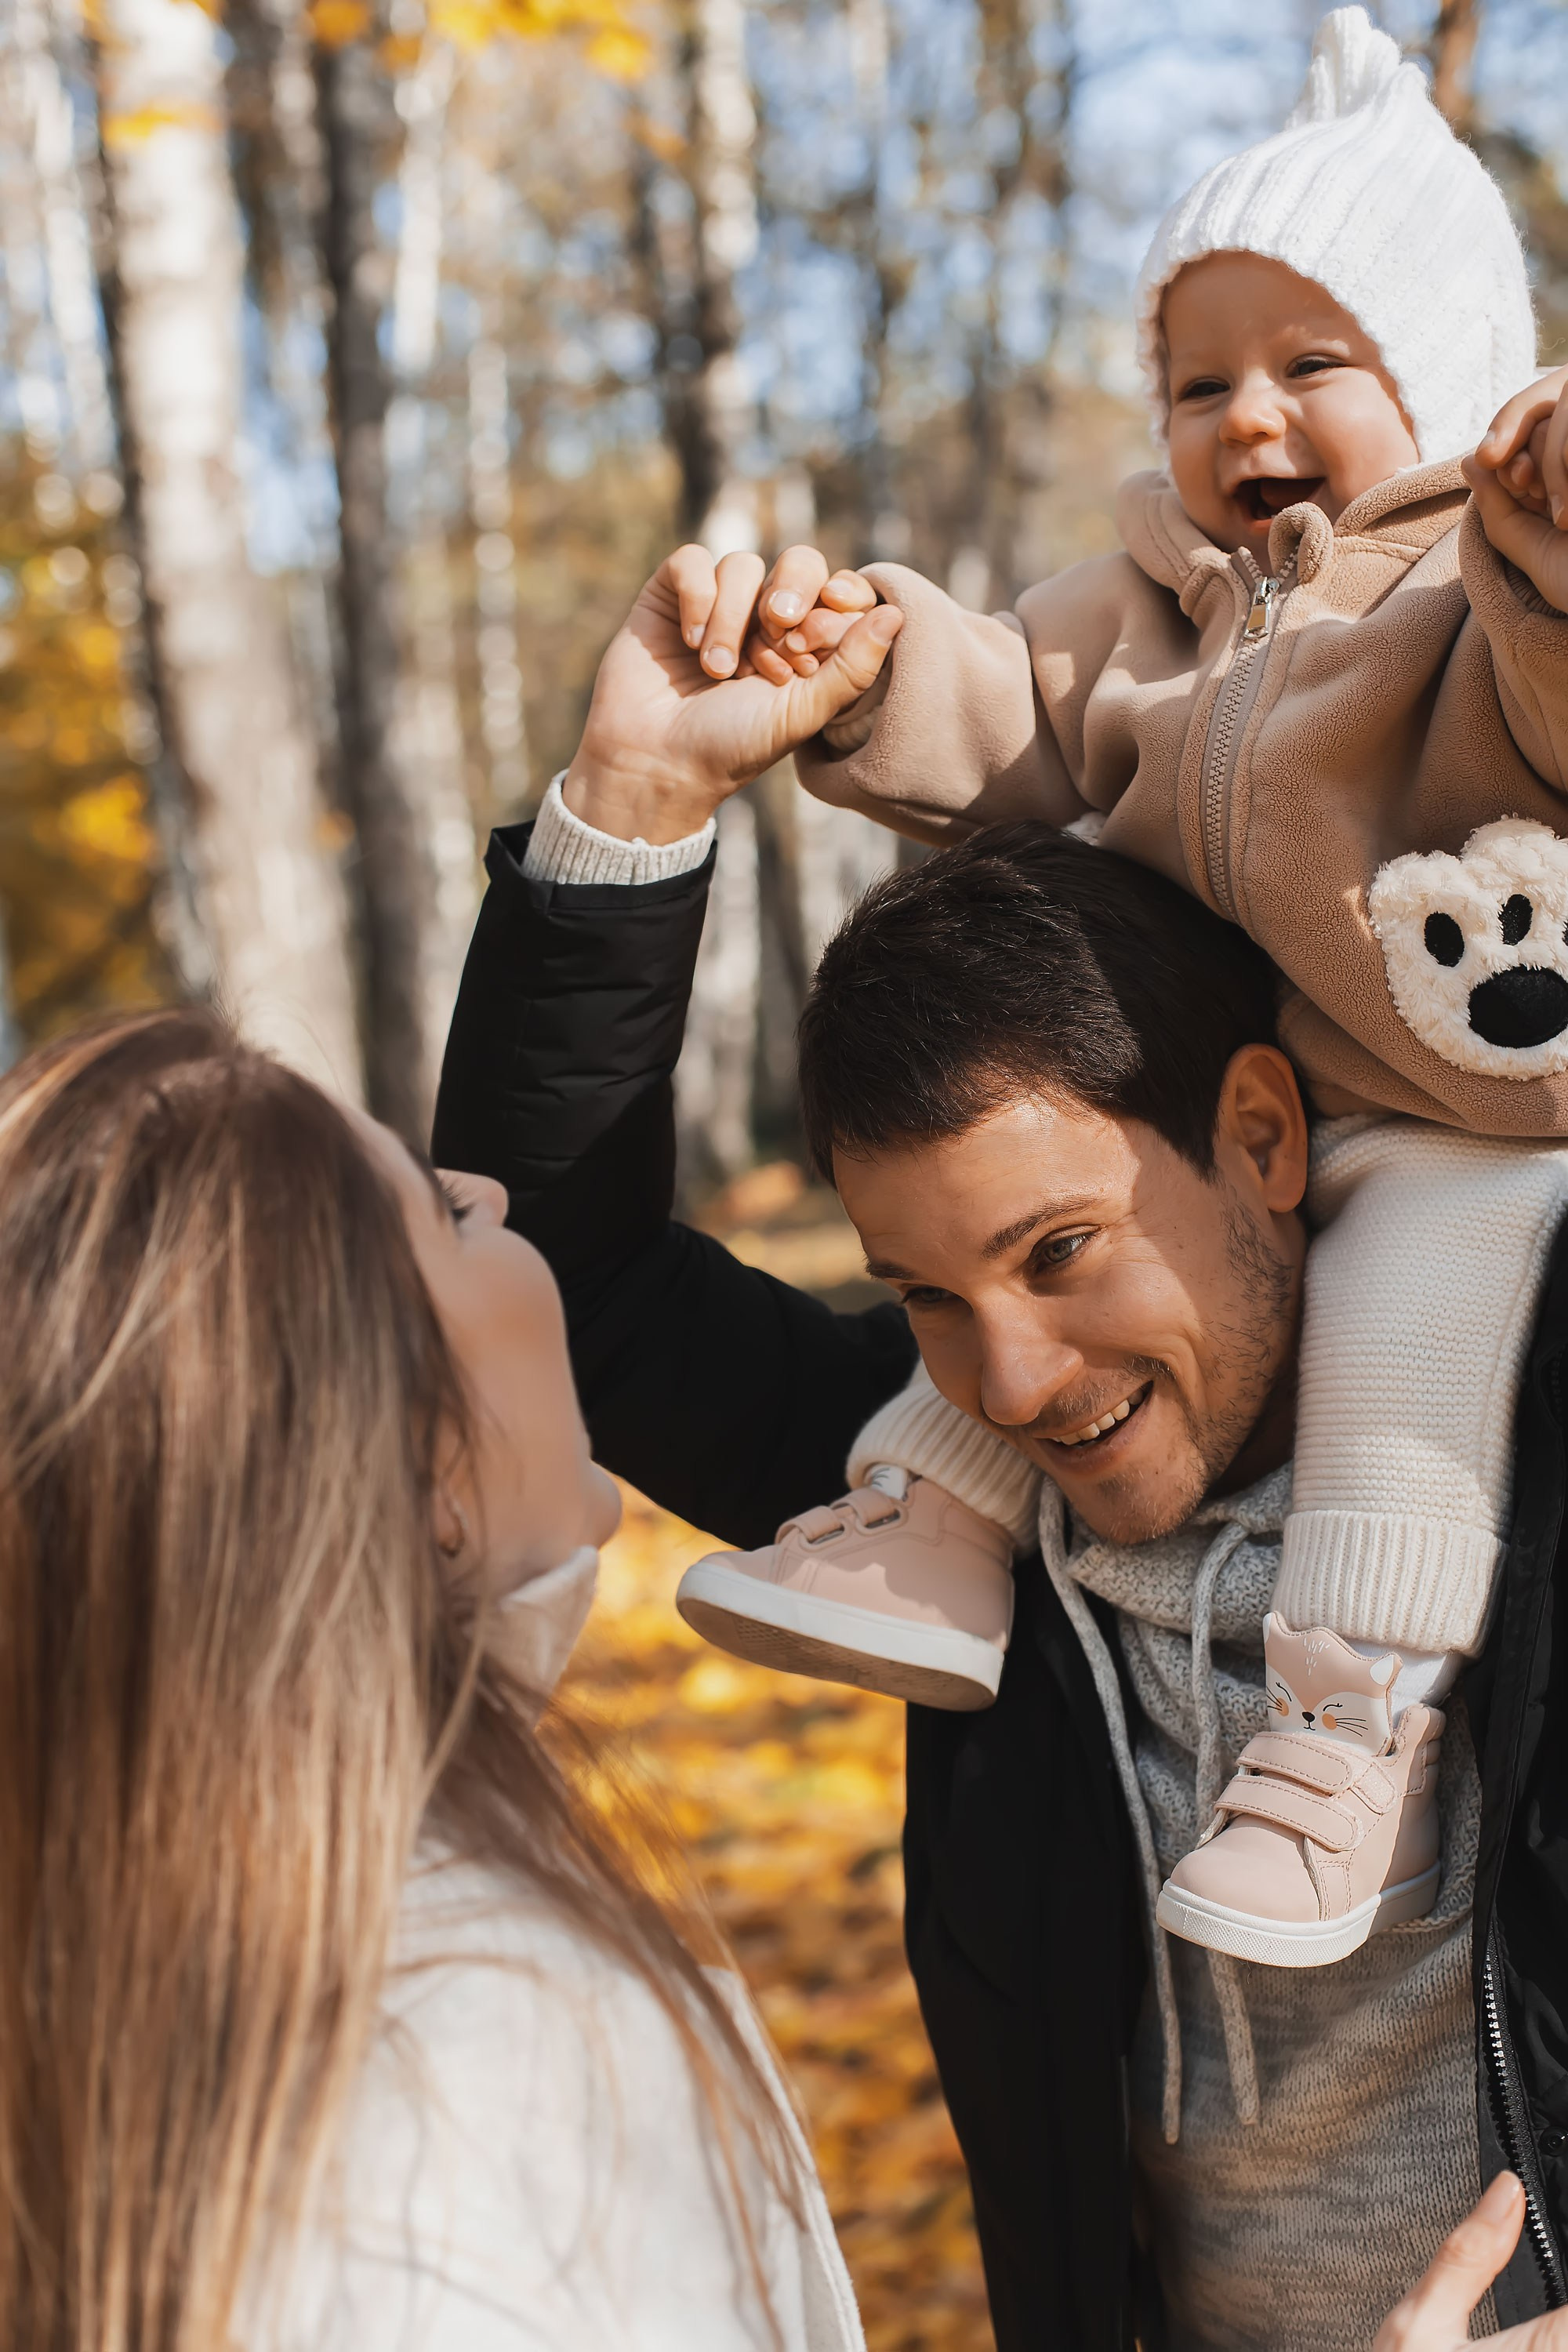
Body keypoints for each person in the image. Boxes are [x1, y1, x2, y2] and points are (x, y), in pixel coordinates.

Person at [432, 546, 1568, 2349]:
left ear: (1258, 1136)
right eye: (923, 1292)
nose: (1013, 1377)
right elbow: (553, 1273)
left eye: (1059, 1253)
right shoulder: (947, 1508)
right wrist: (637, 800)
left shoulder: (1527, 1426)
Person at [662, 4, 1568, 1972]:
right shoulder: (1143, 602)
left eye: (1313, 363)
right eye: (1195, 377)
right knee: (1033, 1267)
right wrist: (869, 663)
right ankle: (927, 1525)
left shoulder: (1469, 587)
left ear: (1464, 383)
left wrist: (1555, 546)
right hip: (1213, 1073)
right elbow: (1007, 720)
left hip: (1460, 1112)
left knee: (1412, 1356)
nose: (1245, 418)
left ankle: (1345, 1728)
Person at [0, 1007, 864, 2351]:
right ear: (421, 1469)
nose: (496, 1193)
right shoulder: (492, 2056)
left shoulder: (137, 1977)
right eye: (443, 1213)